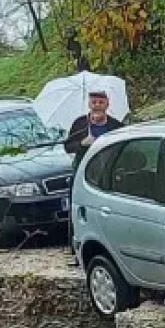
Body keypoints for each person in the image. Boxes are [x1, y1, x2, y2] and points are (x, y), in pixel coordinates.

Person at [64, 88, 122, 260]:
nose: (97, 106)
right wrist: (83, 143)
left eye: (101, 102)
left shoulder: (115, 125)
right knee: (78, 208)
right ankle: (75, 249)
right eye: (94, 102)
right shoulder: (80, 124)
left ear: (107, 104)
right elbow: (68, 146)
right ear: (89, 104)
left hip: (108, 172)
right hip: (83, 170)